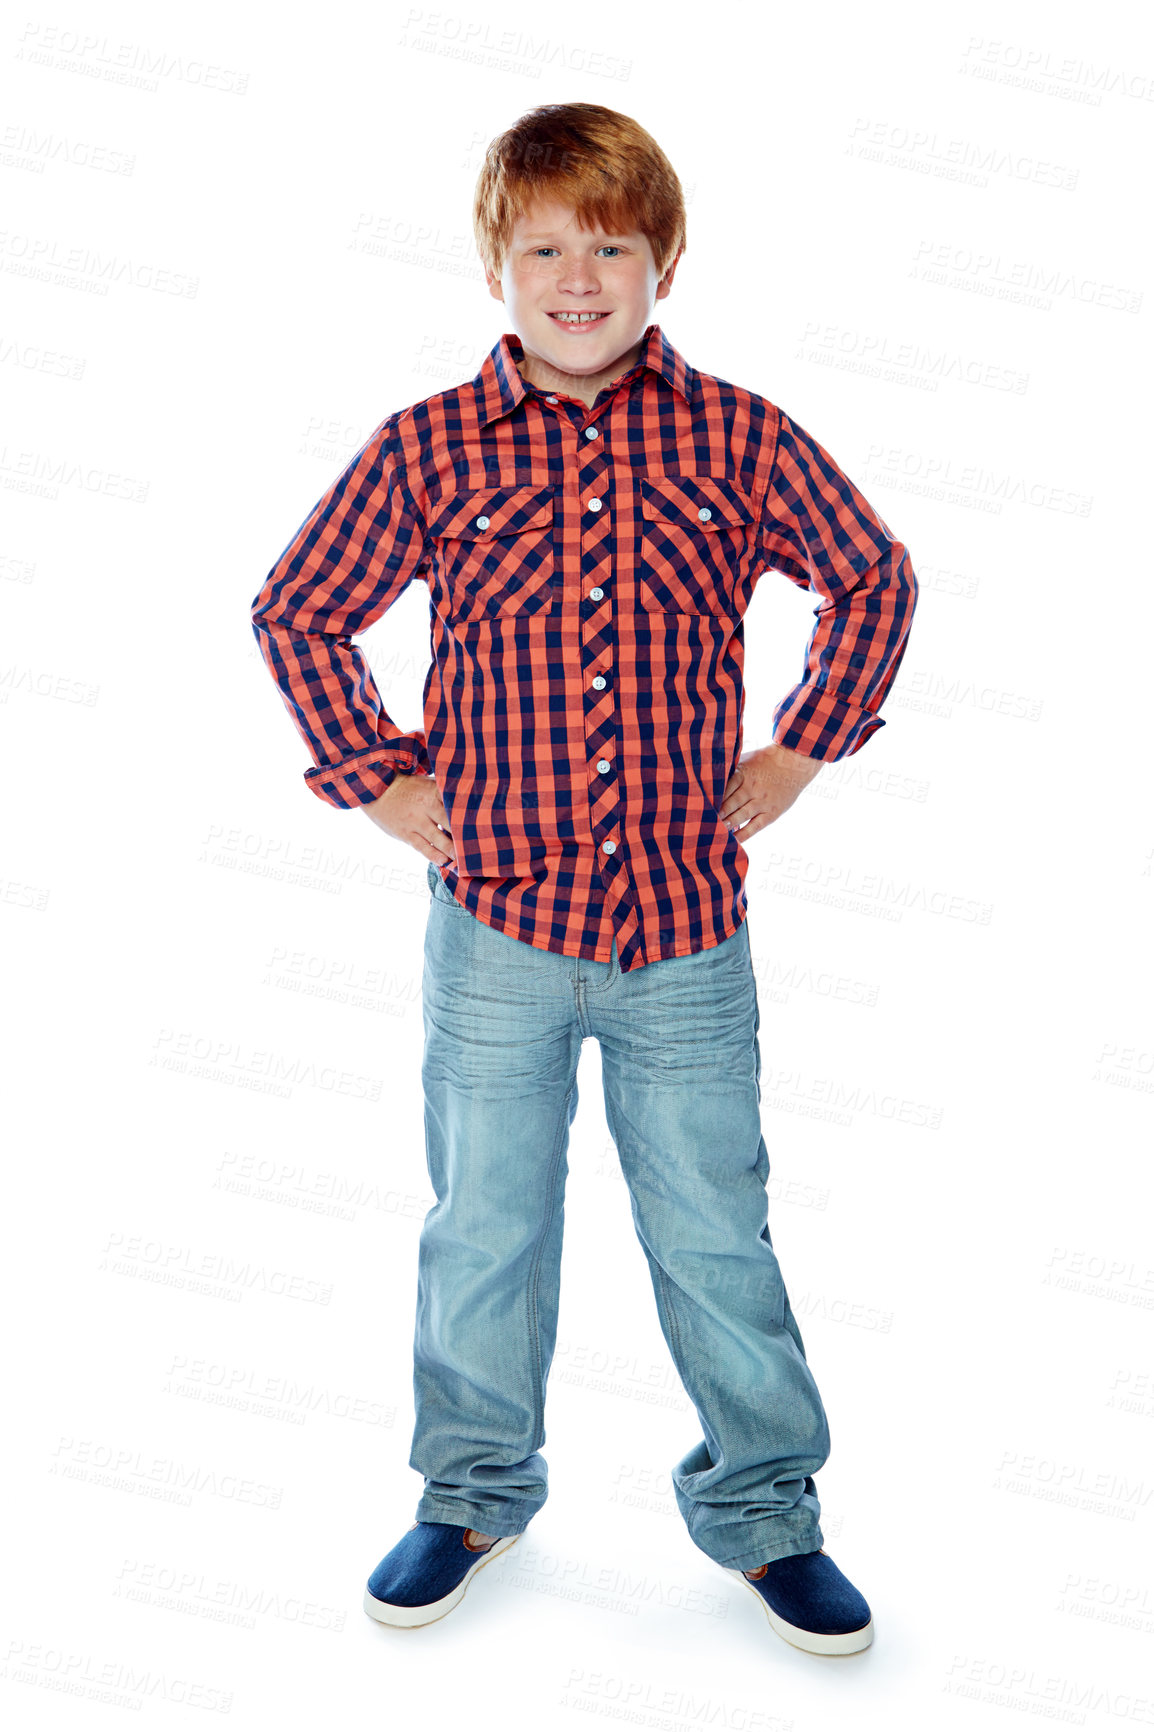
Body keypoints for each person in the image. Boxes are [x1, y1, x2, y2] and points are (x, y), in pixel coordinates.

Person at [250, 101, 918, 1657]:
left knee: (712, 1226)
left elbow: (870, 577)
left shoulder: (740, 436)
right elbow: (299, 611)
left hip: (685, 931)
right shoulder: (428, 445)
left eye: (608, 246)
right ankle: (472, 1487)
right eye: (543, 245)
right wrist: (382, 780)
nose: (575, 276)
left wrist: (799, 749)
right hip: (496, 929)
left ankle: (765, 1513)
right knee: (483, 1220)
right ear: (497, 263)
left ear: (659, 261)